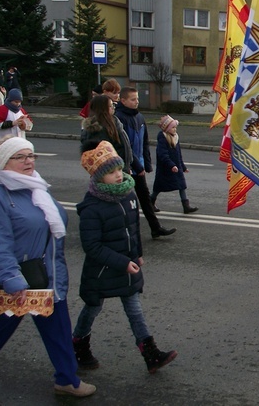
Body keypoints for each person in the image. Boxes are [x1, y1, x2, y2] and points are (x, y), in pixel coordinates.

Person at [0, 136, 96, 397]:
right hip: (18, 281)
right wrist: (11, 279)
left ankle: (67, 380)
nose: (29, 161)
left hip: (48, 277)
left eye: (31, 155)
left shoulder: (36, 186)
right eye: (20, 157)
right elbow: (0, 241)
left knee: (59, 332)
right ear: (3, 163)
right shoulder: (0, 194)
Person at [73, 140, 177, 373]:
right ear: (98, 177)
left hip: (126, 265)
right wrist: (124, 262)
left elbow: (133, 230)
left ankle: (151, 354)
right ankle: (78, 345)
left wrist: (137, 254)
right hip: (101, 271)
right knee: (92, 308)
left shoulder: (128, 195)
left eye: (119, 169)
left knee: (134, 309)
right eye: (111, 172)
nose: (119, 175)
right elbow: (91, 246)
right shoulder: (92, 207)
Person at [115, 87, 176, 239]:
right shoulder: (118, 118)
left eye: (137, 99)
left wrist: (147, 163)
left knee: (145, 198)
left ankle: (155, 228)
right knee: (123, 199)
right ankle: (122, 231)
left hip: (139, 165)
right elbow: (125, 146)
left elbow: (144, 142)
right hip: (125, 167)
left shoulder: (140, 117)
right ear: (123, 101)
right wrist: (136, 165)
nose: (137, 102)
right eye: (133, 99)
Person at [151, 115, 198, 214]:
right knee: (159, 187)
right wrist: (171, 165)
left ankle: (186, 206)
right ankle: (151, 202)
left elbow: (178, 154)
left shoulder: (176, 137)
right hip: (166, 168)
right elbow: (163, 155)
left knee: (182, 186)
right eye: (172, 127)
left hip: (177, 167)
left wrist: (183, 166)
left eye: (175, 127)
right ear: (167, 128)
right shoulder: (162, 138)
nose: (175, 129)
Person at [81, 95, 134, 175]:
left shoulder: (113, 122)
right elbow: (103, 156)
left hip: (119, 168)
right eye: (110, 105)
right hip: (110, 172)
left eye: (113, 105)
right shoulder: (99, 128)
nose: (113, 107)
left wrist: (127, 166)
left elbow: (124, 146)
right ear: (102, 108)